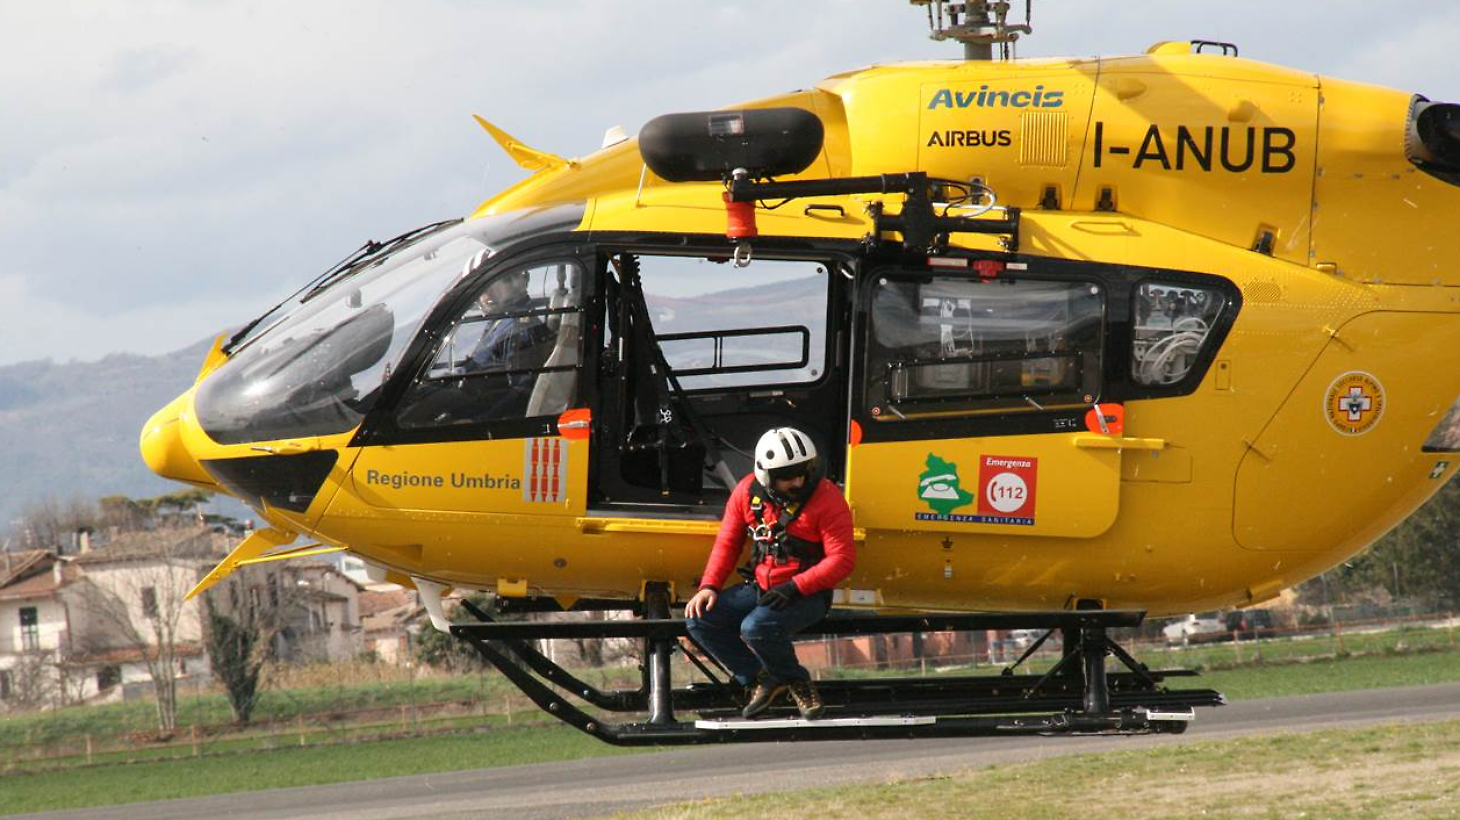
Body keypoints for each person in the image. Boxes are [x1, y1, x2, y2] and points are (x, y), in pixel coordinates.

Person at [684, 427, 856, 719]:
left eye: (804, 472)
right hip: (762, 589)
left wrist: (795, 587)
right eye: (789, 476)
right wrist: (709, 586)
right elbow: (727, 543)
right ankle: (762, 679)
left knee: (755, 627)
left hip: (807, 594)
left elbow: (842, 559)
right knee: (700, 620)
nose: (799, 481)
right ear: (767, 476)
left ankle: (797, 682)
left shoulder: (827, 498)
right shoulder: (745, 493)